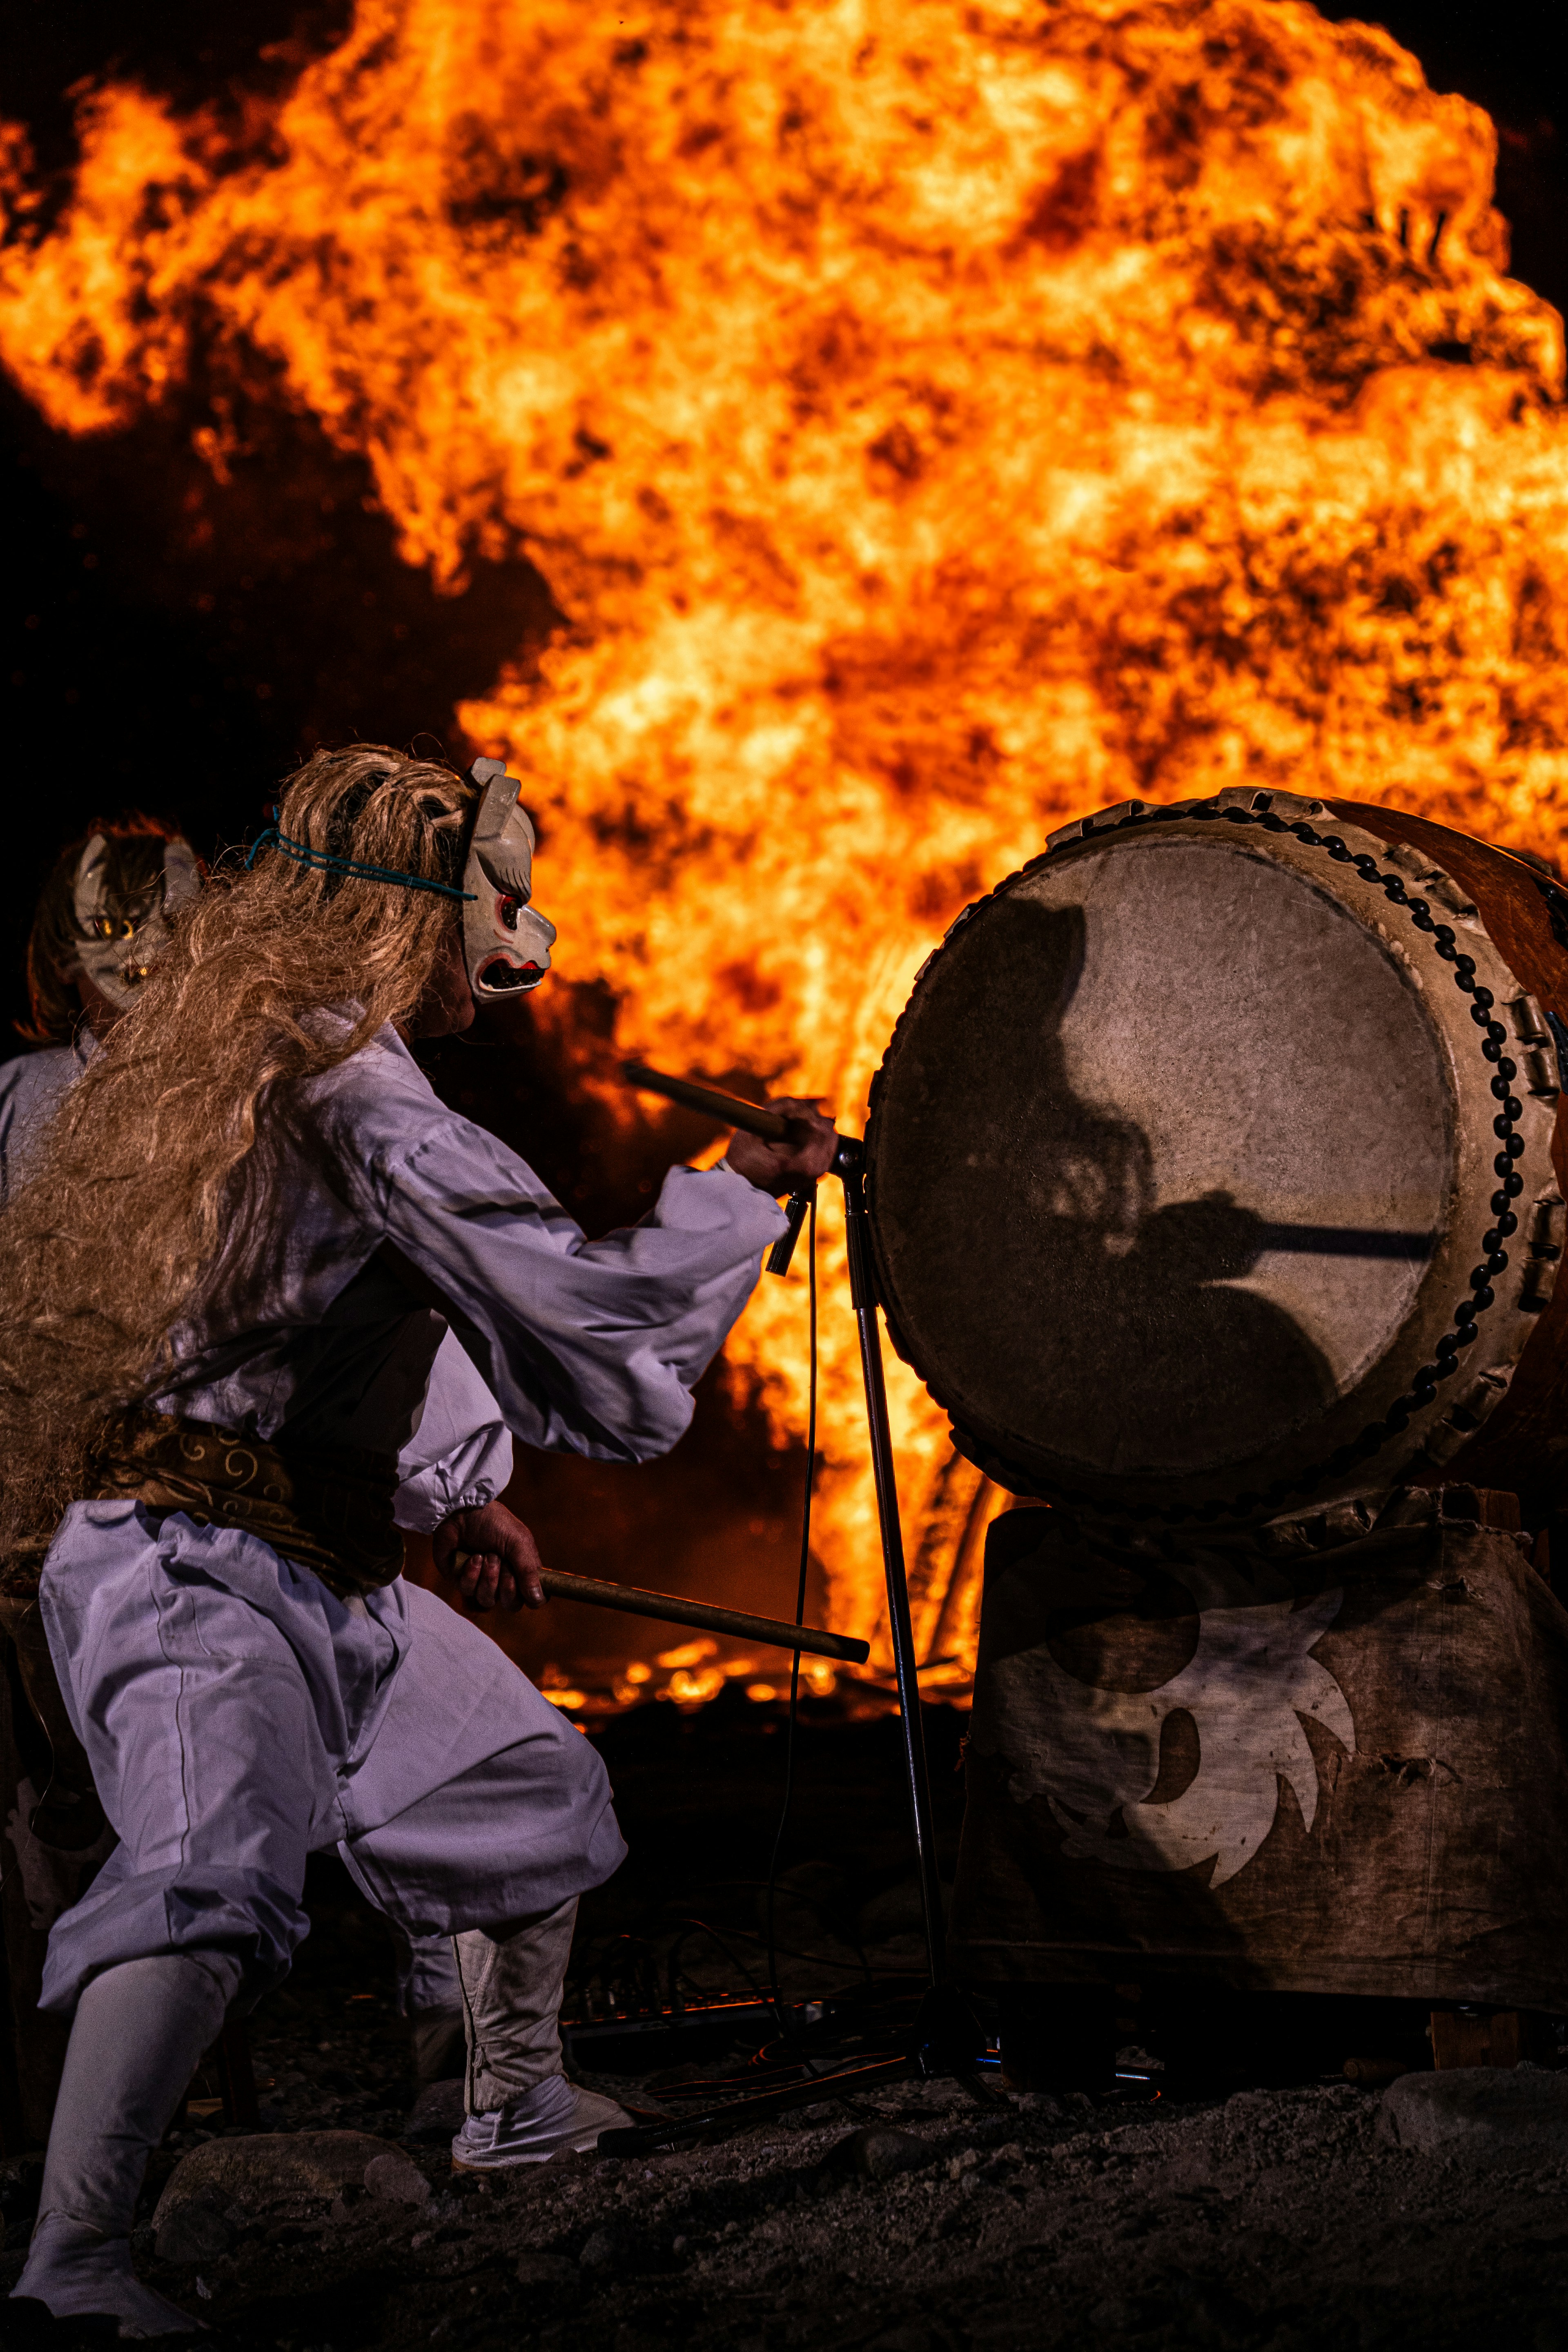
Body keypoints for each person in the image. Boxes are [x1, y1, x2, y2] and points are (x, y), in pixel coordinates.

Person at [0, 744, 834, 2336]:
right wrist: (735, 1196)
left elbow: (345, 1322)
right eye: (500, 902)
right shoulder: (338, 1066)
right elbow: (567, 1303)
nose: (528, 939)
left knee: (520, 1786)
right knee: (205, 1876)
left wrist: (454, 1488)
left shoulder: (289, 1051)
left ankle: (505, 2105)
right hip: (189, 1573)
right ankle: (75, 2264)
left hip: (320, 1562)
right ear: (404, 912)